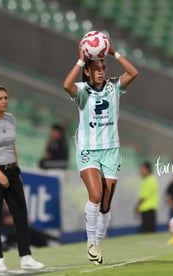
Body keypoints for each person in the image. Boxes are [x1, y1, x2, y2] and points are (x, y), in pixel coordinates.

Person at [63, 40, 138, 264]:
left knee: (105, 204)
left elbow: (134, 72)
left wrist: (115, 52)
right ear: (87, 71)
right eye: (95, 69)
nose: (100, 72)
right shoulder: (81, 90)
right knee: (95, 195)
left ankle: (97, 241)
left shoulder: (114, 86)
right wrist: (80, 59)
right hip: (88, 151)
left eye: (103, 68)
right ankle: (90, 242)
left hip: (111, 151)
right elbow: (65, 84)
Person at [0, 85, 44, 272]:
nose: (4, 101)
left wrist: (16, 170)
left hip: (11, 171)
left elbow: (12, 147)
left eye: (6, 97)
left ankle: (26, 257)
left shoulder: (11, 119)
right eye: (0, 98)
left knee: (21, 215)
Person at [135, 161, 159, 233]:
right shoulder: (152, 179)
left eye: (141, 169)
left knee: (147, 232)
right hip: (150, 210)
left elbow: (143, 198)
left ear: (146, 170)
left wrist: (136, 208)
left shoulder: (148, 181)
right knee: (151, 231)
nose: (140, 171)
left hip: (147, 211)